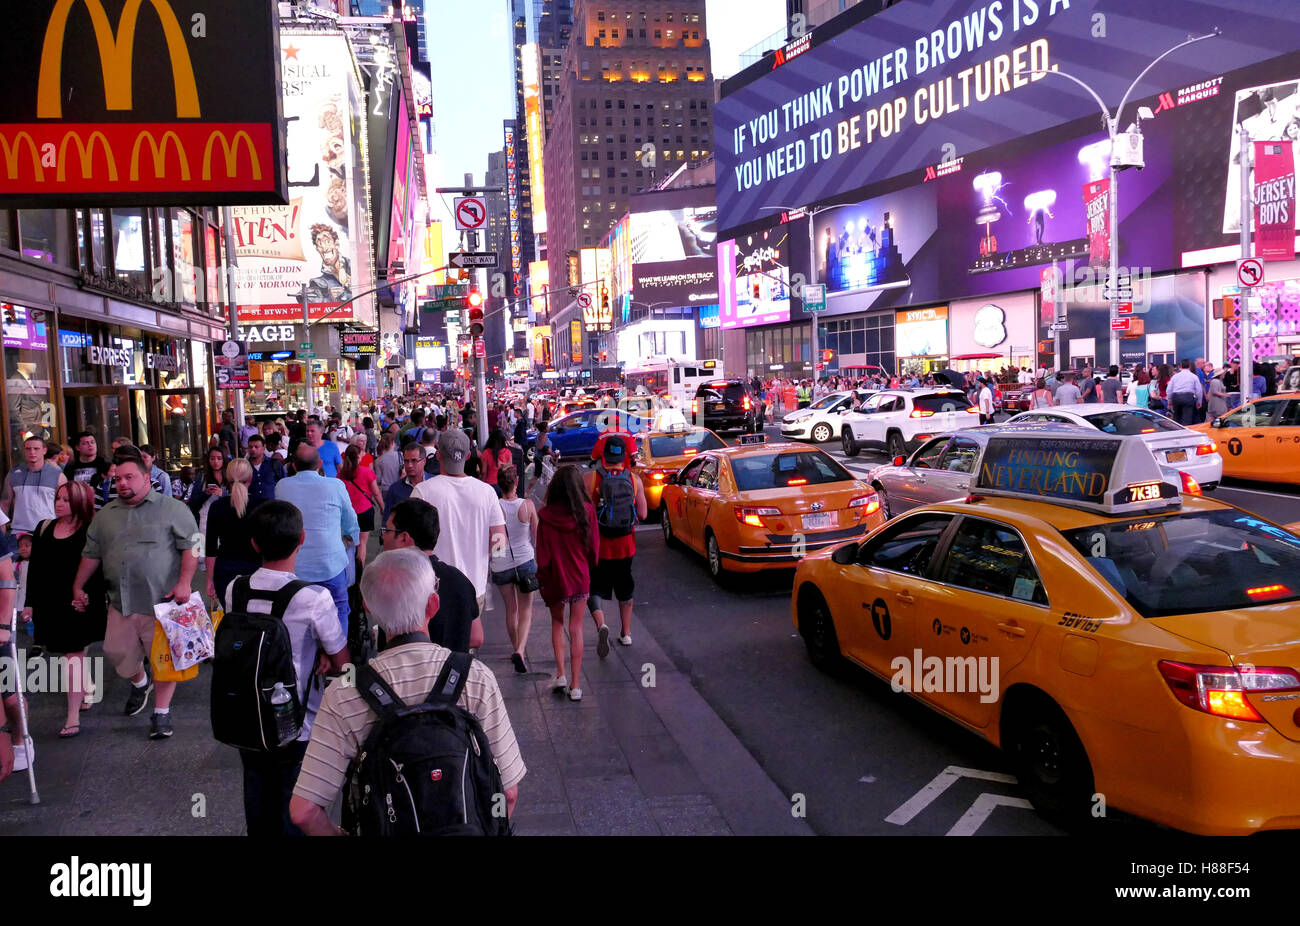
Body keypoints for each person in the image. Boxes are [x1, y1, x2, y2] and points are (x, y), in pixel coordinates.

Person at [288, 548, 526, 835]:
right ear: (433, 605)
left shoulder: (345, 693)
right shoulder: (474, 678)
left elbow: (304, 811)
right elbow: (507, 792)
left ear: (368, 608)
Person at [227, 500, 350, 837]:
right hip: (298, 723)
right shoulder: (314, 598)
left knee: (257, 796)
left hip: (247, 718)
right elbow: (343, 662)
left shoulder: (234, 588)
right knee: (294, 808)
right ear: (303, 539)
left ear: (254, 543)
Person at [72, 452, 199, 740]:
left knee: (165, 663)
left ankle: (161, 714)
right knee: (116, 653)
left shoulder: (172, 509)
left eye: (129, 477)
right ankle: (141, 683)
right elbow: (91, 554)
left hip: (164, 602)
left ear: (146, 478)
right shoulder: (105, 516)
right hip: (121, 602)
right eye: (118, 479)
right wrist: (77, 586)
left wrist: (185, 583)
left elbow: (193, 545)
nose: (122, 483)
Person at [411, 430, 506, 651]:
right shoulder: (487, 492)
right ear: (467, 456)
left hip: (431, 587)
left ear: (438, 455)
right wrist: (486, 562)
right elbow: (500, 543)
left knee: (434, 648)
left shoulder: (422, 492)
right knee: (464, 650)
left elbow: (409, 544)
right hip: (473, 588)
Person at [27, 481, 105, 738]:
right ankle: (86, 690)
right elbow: (35, 570)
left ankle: (72, 716)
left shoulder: (90, 531)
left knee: (73, 656)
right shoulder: (44, 527)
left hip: (78, 601)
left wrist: (85, 598)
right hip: (50, 603)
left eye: (65, 500)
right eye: (58, 498)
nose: (58, 504)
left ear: (79, 502)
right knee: (68, 655)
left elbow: (98, 569)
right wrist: (29, 603)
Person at [274, 444, 360, 632]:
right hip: (330, 565)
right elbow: (351, 522)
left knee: (296, 615)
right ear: (320, 464)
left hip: (295, 567)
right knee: (339, 609)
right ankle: (338, 656)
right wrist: (349, 540)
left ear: (294, 466)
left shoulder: (282, 487)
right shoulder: (336, 485)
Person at [537, 465, 599, 700]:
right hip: (579, 577)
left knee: (556, 623)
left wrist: (542, 579)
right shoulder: (587, 512)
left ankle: (560, 674)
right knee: (576, 628)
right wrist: (589, 567)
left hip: (555, 578)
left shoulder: (546, 515)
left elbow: (542, 554)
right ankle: (575, 685)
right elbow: (594, 549)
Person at [382, 498, 476, 652]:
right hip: (454, 672)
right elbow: (476, 637)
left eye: (387, 531)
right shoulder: (460, 580)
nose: (383, 537)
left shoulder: (395, 583)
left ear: (404, 538)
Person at [586, 432, 647, 656]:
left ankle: (601, 623)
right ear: (623, 456)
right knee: (625, 587)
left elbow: (584, 513)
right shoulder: (634, 480)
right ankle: (626, 633)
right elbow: (643, 512)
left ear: (603, 454)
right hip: (625, 544)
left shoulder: (592, 479)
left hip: (599, 545)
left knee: (594, 586)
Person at [489, 466, 538, 673]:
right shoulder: (527, 505)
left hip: (501, 564)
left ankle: (516, 648)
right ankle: (520, 649)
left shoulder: (494, 507)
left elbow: (491, 539)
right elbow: (536, 536)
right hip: (525, 560)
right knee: (526, 609)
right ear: (516, 482)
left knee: (511, 609)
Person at [204, 457, 263, 604]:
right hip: (258, 571)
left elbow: (210, 548)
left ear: (227, 477)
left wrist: (209, 580)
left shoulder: (217, 507)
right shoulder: (263, 505)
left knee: (231, 620)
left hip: (225, 571)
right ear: (250, 477)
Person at [4, 435, 66, 534]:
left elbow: (65, 505)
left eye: (36, 449)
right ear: (24, 451)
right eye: (28, 449)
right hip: (19, 532)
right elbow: (5, 503)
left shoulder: (58, 475)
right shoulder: (14, 474)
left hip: (47, 531)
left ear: (44, 451)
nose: (32, 452)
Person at [338, 444, 382, 566]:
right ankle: (360, 572)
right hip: (365, 511)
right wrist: (383, 507)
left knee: (349, 543)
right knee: (362, 543)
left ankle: (350, 570)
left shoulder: (340, 475)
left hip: (348, 514)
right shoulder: (366, 472)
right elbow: (376, 493)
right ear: (358, 457)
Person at [64, 431, 110, 505]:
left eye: (92, 442)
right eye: (85, 443)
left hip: (100, 504)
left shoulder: (105, 463)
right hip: (78, 504)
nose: (90, 445)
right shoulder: (71, 466)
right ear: (77, 447)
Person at [385, 441, 429, 513]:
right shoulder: (394, 489)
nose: (409, 465)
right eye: (406, 461)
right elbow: (387, 520)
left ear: (424, 461)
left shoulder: (434, 484)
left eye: (414, 460)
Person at [1167, 360, 1205, 425]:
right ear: (1189, 366)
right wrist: (1199, 401)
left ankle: (1177, 432)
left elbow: (1169, 390)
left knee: (1176, 418)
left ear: (1180, 366)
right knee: (1187, 419)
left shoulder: (1175, 376)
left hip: (1176, 397)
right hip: (1188, 397)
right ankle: (1186, 433)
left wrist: (1170, 400)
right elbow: (1198, 390)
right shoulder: (1194, 376)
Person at [244, 433, 278, 505]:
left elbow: (282, 483)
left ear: (263, 447)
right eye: (250, 447)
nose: (253, 449)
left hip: (272, 507)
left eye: (256, 447)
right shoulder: (244, 466)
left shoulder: (274, 464)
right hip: (251, 508)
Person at [480, 429, 513, 495]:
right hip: (504, 485)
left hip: (490, 485)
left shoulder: (486, 452)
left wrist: (481, 485)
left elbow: (484, 472)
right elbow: (510, 469)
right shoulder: (508, 452)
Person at [373, 433, 400, 499]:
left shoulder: (378, 460)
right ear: (393, 442)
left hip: (386, 489)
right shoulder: (400, 455)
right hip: (398, 486)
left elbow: (378, 479)